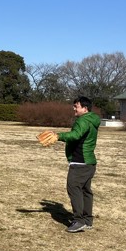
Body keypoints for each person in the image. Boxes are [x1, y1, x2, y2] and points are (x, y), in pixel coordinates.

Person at [47, 96, 100, 232]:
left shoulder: (83, 120)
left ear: (85, 108)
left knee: (74, 188)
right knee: (85, 191)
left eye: (76, 106)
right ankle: (87, 220)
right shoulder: (92, 120)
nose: (74, 108)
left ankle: (79, 220)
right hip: (89, 163)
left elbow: (75, 135)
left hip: (80, 163)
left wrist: (59, 136)